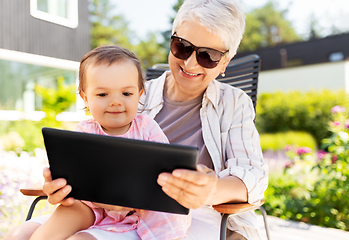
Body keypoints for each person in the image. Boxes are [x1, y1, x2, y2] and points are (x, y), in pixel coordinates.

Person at [5, 0, 268, 239]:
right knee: (21, 234)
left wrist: (211, 190)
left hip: (183, 214)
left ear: (225, 62)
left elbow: (254, 174)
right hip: (102, 207)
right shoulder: (131, 92)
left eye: (208, 56)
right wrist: (66, 183)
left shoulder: (234, 103)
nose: (189, 63)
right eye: (182, 47)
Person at [8, 45, 191, 240]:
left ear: (139, 95)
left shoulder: (147, 128)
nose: (115, 102)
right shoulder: (84, 132)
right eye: (103, 94)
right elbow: (73, 180)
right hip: (89, 207)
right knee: (18, 235)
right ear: (85, 98)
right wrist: (59, 184)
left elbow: (166, 178)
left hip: (136, 215)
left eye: (126, 94)